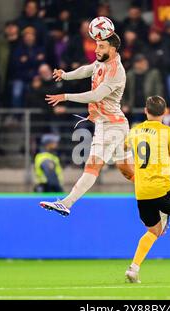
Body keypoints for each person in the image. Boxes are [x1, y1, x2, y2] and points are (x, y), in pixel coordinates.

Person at [40, 32, 135, 216]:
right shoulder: (102, 61)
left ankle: (66, 203)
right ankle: (161, 194)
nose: (96, 49)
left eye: (101, 46)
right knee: (128, 172)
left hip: (111, 125)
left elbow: (96, 95)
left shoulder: (116, 71)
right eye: (96, 45)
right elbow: (87, 69)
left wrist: (65, 96)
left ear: (113, 49)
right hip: (112, 124)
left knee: (92, 167)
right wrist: (65, 75)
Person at [124, 96, 170, 283]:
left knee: (153, 230)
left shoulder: (134, 131)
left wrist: (133, 173)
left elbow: (122, 153)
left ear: (145, 111)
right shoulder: (168, 132)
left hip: (141, 191)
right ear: (165, 112)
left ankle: (134, 268)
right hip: (162, 187)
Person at [123, 54, 164, 123]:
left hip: (150, 110)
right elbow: (123, 92)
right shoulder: (130, 75)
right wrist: (124, 104)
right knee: (136, 130)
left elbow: (159, 90)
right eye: (141, 62)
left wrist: (156, 106)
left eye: (145, 62)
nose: (144, 64)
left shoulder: (154, 74)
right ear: (136, 64)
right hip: (133, 110)